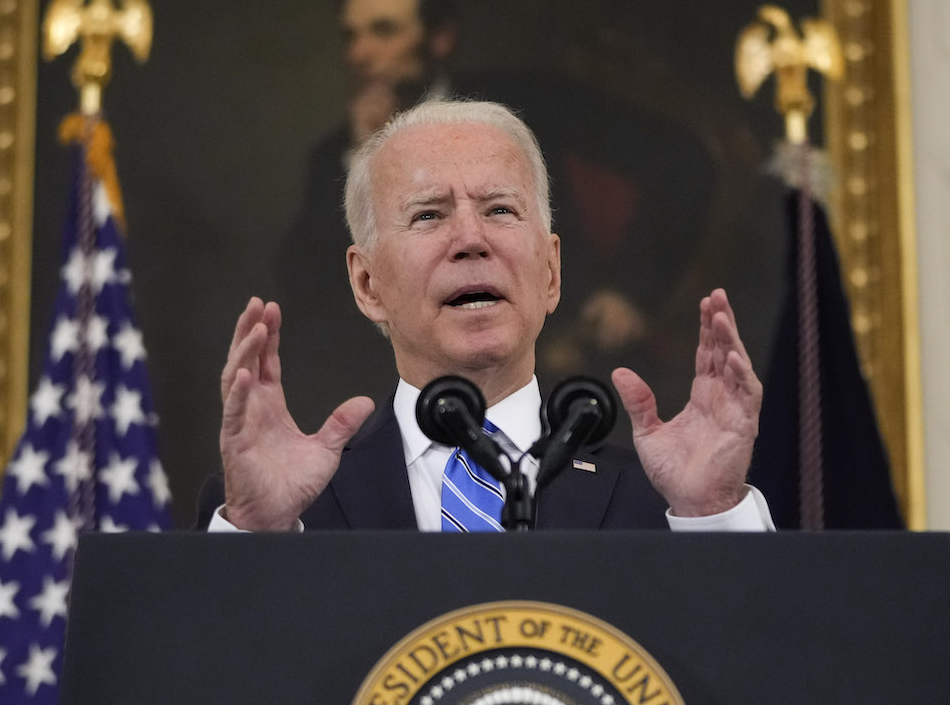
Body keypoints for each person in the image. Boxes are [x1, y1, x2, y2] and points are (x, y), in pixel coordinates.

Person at [206, 98, 770, 532]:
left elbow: (759, 669)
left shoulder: (666, 500)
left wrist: (712, 513)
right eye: (429, 215)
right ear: (367, 282)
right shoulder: (282, 505)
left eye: (500, 209)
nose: (471, 239)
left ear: (550, 272)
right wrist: (260, 537)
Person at [273, 0, 716, 432]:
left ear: (439, 38)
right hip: (398, 385)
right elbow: (303, 285)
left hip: (558, 360)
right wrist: (363, 159)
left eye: (383, 31)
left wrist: (633, 289)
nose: (359, 53)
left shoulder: (528, 102)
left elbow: (682, 161)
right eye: (350, 35)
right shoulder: (334, 154)